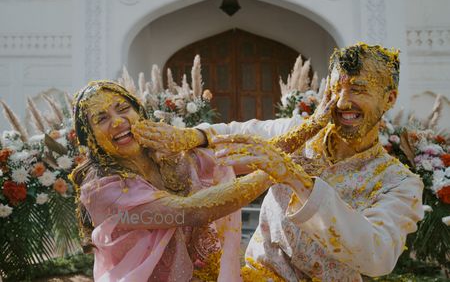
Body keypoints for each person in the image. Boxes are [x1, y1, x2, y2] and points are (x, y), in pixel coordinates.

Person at [132, 43, 424, 281]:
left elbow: (377, 255)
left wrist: (294, 177)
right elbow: (242, 133)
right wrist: (190, 137)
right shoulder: (299, 134)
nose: (342, 102)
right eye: (336, 90)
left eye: (358, 90)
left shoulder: (399, 182)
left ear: (390, 99)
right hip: (259, 275)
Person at [70, 80, 275, 281]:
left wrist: (290, 148)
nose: (117, 121)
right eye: (102, 118)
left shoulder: (172, 155)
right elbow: (195, 211)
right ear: (90, 138)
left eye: (123, 108)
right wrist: (275, 171)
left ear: (139, 112)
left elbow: (235, 157)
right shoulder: (101, 190)